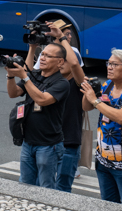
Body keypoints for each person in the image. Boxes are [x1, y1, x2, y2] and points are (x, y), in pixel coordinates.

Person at [25, 21, 85, 192]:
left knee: (62, 190)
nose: (63, 63)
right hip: (43, 142)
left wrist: (61, 37)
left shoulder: (78, 82)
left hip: (68, 142)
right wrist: (32, 47)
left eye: (64, 60)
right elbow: (28, 72)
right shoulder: (45, 79)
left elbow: (74, 63)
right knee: (37, 187)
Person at [81, 49, 122, 207]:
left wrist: (95, 101)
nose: (109, 67)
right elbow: (87, 107)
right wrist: (89, 92)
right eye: (108, 63)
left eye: (114, 64)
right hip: (103, 158)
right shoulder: (107, 85)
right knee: (108, 203)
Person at [7, 43, 70, 189]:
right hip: (28, 141)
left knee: (45, 187)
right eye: (42, 54)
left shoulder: (62, 83)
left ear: (60, 61)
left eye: (48, 56)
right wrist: (10, 76)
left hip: (48, 145)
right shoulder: (34, 76)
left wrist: (25, 77)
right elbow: (13, 93)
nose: (43, 58)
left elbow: (42, 99)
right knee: (25, 184)